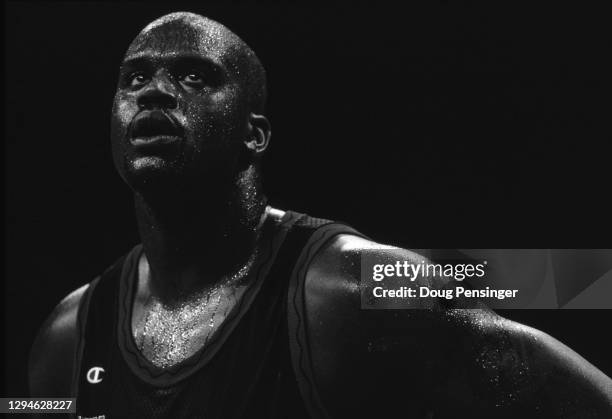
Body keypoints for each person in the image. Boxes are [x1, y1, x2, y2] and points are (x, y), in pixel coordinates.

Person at [29, 12, 612, 418]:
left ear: (254, 135)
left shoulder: (345, 286)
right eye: (134, 78)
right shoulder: (68, 336)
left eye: (193, 75)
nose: (154, 91)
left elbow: (565, 283)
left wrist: (589, 277)